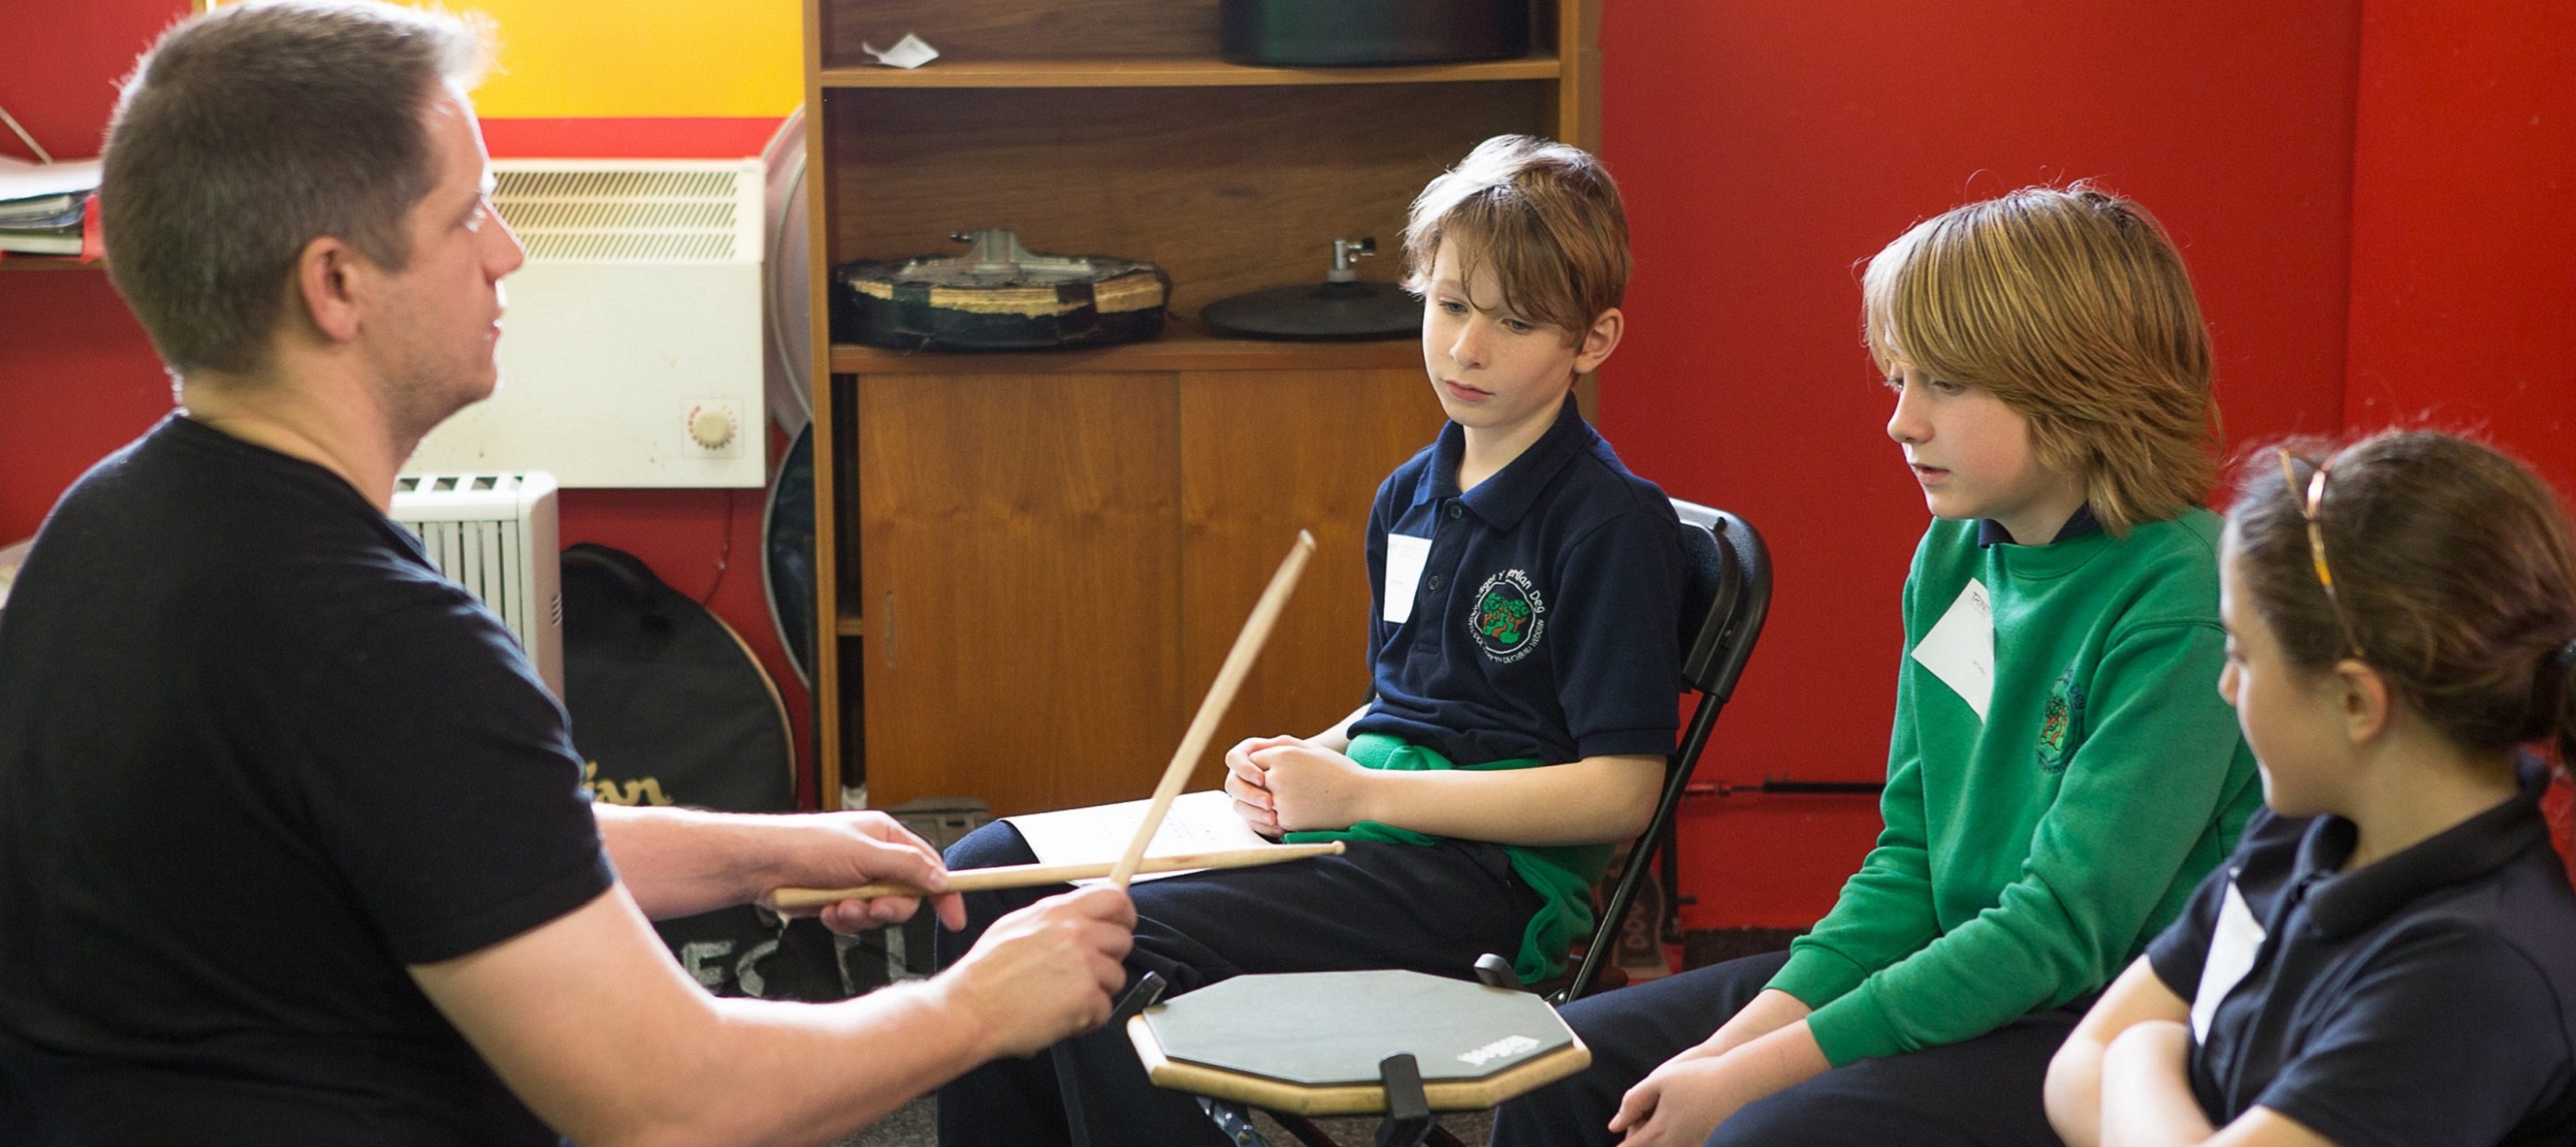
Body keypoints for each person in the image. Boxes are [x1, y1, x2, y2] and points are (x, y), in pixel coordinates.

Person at [0, 4, 1133, 1144]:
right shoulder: (371, 640)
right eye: (468, 215)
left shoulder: (108, 526)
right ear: (335, 284)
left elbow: (453, 832)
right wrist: (974, 1004)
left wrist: (767, 847)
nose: (509, 251)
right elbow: (672, 1099)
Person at [932, 134, 1685, 1146]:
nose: (1466, 347)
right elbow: (1408, 699)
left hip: (1481, 882)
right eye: (1451, 304)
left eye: (1512, 323)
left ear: (1592, 341)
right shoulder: (1409, 494)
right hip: (1371, 828)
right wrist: (1316, 755)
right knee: (985, 875)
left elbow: (1620, 790)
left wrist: (1364, 791)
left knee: (1091, 943)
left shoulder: (1610, 523)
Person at [1492, 186, 2265, 1147]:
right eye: (1899, 379)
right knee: (1548, 1066)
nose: (1901, 422)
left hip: (2103, 1023)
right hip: (1958, 963)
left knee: (1759, 1133)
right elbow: (1909, 860)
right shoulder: (1953, 555)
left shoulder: (2185, 595)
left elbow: (2059, 931)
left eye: (1942, 384)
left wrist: (1745, 1080)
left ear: (2077, 386)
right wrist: (1718, 1057)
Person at [2044, 430, 2576, 1147]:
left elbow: (2113, 1049)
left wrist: (2142, 1051)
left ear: (2356, 702)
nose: (2225, 686)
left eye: (2240, 655)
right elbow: (2071, 1068)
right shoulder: (2300, 830)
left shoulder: (2473, 969)